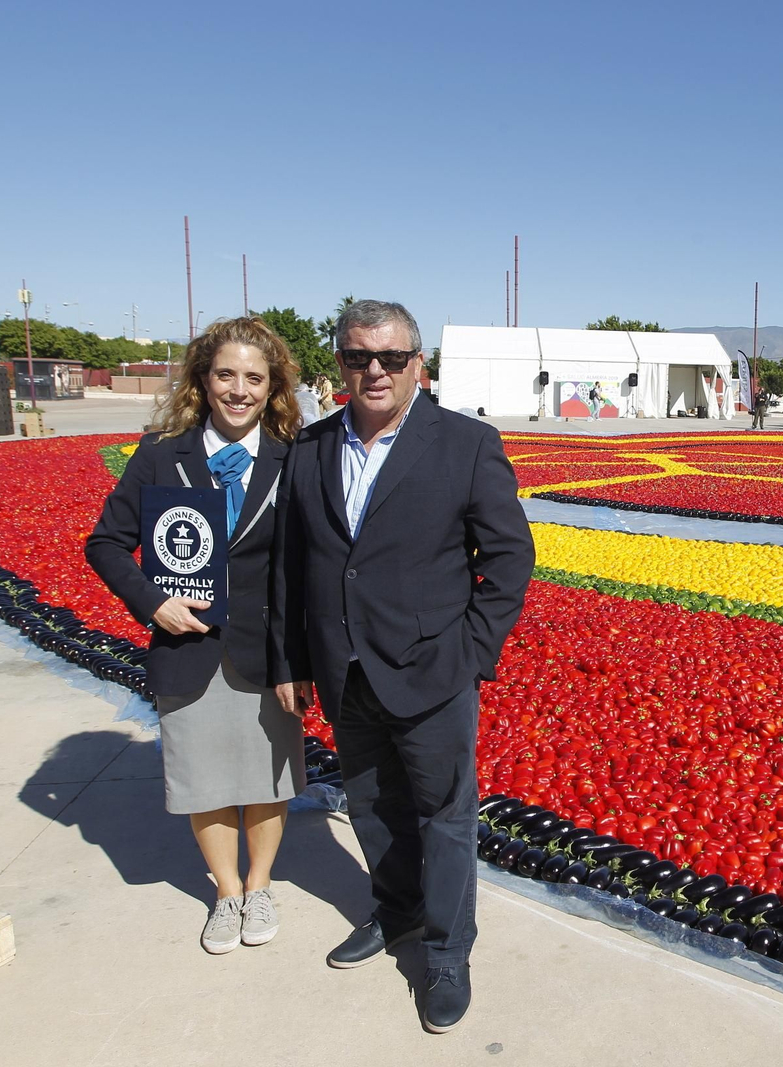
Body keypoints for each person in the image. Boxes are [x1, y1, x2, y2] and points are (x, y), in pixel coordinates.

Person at [271, 300, 535, 1030]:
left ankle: (448, 952)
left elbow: (510, 557)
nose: (375, 371)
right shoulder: (313, 447)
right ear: (341, 365)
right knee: (371, 807)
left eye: (391, 357)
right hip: (344, 668)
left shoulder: (465, 443)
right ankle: (398, 913)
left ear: (419, 362)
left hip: (432, 670)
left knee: (445, 818)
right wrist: (293, 657)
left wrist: (471, 653)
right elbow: (296, 565)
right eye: (359, 357)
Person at [85, 317, 305, 956]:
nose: (239, 390)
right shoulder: (163, 453)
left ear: (274, 387)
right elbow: (105, 543)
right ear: (203, 380)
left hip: (268, 650)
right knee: (202, 779)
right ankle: (228, 892)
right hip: (190, 648)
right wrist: (154, 603)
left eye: (254, 378)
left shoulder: (293, 456)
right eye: (226, 374)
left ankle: (261, 886)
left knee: (269, 777)